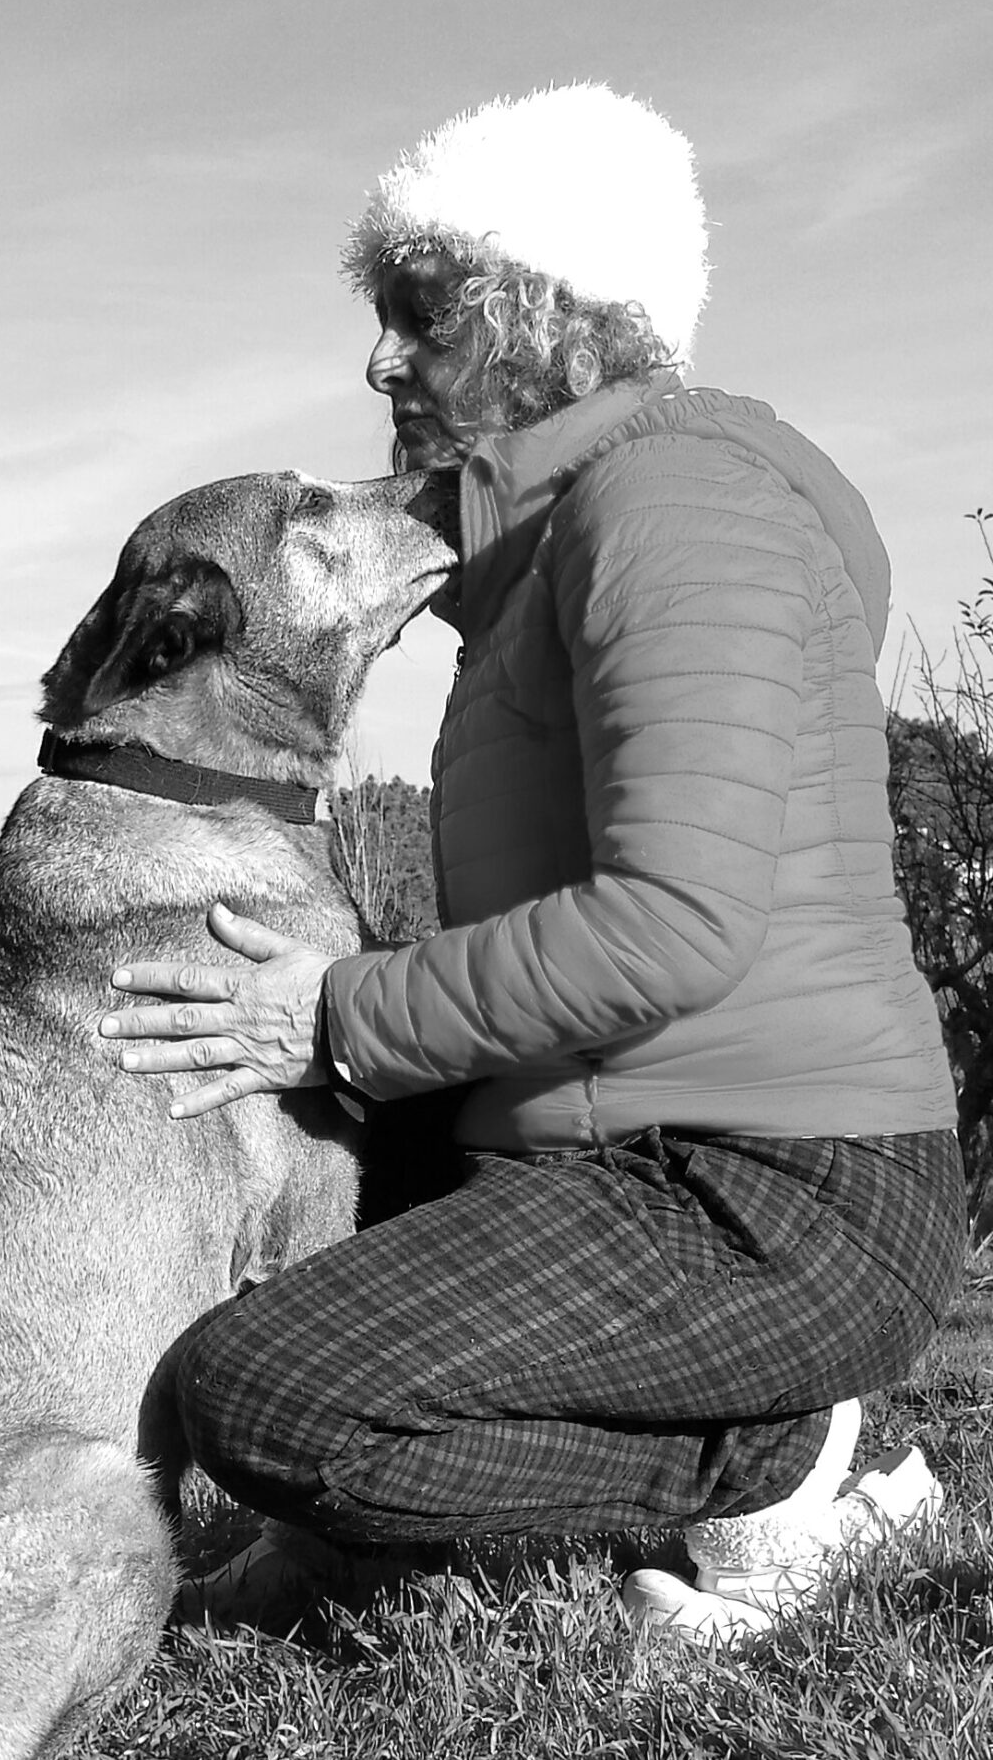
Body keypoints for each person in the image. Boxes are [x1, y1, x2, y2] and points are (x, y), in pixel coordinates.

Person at [98, 83, 965, 1640]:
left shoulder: (680, 506)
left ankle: (800, 1464)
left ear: (542, 313)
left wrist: (342, 1014)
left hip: (772, 1184)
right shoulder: (545, 548)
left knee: (271, 1404)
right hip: (619, 1133)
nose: (381, 356)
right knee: (310, 1191)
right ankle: (358, 1546)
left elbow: (674, 923)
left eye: (418, 313)